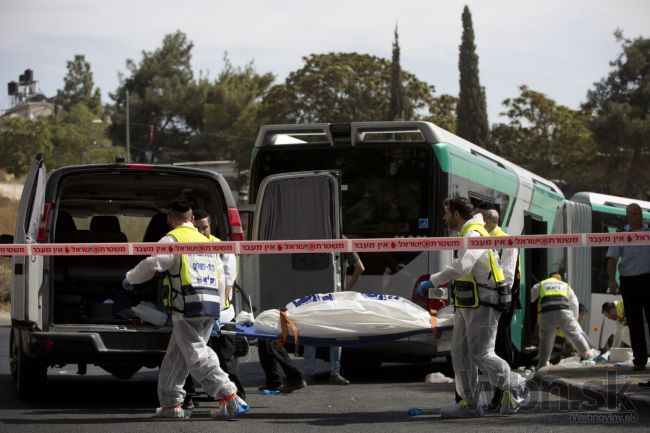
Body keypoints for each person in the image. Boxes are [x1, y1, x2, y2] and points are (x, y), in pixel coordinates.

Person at [122, 200, 248, 419]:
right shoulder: (207, 241)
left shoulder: (172, 239)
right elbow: (221, 277)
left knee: (196, 355)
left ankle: (230, 397)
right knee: (176, 358)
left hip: (187, 307)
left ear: (170, 219)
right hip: (209, 306)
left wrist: (131, 278)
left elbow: (153, 264)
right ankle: (171, 405)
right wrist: (220, 308)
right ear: (191, 218)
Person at [416, 197, 519, 417]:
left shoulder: (474, 234)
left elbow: (463, 266)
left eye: (446, 213)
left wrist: (433, 281)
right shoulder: (467, 233)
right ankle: (469, 403)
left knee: (481, 353)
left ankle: (517, 385)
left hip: (483, 302)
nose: (444, 218)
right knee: (460, 353)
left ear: (456, 214)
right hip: (468, 302)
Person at [182, 208, 246, 410]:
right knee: (192, 357)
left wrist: (217, 312)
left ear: (211, 225)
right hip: (196, 313)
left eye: (205, 227)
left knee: (225, 360)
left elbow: (227, 282)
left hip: (221, 314)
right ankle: (188, 397)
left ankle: (238, 396)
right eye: (198, 228)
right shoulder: (188, 246)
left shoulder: (221, 247)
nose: (202, 232)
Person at [475, 203, 519, 409]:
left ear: (490, 222)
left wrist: (503, 299)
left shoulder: (505, 240)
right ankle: (499, 394)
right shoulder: (482, 238)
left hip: (502, 300)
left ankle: (506, 393)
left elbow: (508, 274)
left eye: (481, 219)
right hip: (486, 300)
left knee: (501, 345)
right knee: (489, 348)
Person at [303, 249, 365, 385]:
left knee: (310, 331)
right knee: (335, 333)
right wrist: (346, 290)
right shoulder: (341, 238)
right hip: (335, 297)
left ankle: (308, 374)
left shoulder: (310, 235)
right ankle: (334, 373)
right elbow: (360, 267)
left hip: (313, 296)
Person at [606, 203, 650, 371]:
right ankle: (640, 360)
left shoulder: (648, 233)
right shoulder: (621, 235)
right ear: (628, 216)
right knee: (635, 321)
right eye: (635, 213)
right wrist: (612, 281)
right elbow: (612, 261)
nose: (639, 216)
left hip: (648, 280)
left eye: (640, 213)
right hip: (629, 282)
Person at [530, 273, 597, 369]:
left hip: (547, 312)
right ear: (560, 280)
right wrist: (574, 319)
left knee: (546, 339)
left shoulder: (542, 284)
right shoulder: (565, 285)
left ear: (550, 278)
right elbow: (574, 303)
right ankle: (587, 354)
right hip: (563, 310)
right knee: (574, 334)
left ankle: (543, 363)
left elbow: (531, 297)